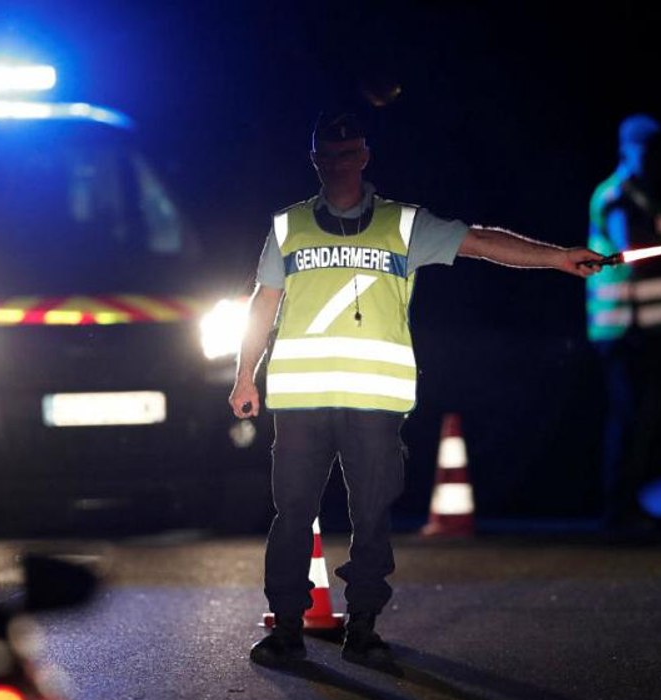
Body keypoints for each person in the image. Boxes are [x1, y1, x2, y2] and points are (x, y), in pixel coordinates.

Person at [229, 111, 605, 667]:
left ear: (365, 157)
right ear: (314, 161)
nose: (337, 164)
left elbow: (480, 241)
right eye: (327, 156)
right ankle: (286, 629)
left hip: (375, 400)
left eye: (348, 154)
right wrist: (245, 375)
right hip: (301, 400)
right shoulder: (289, 226)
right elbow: (263, 304)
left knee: (372, 518)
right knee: (292, 515)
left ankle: (363, 628)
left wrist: (558, 257)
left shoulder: (402, 224)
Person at [585, 113, 661, 531]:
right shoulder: (618, 196)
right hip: (622, 328)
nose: (651, 158)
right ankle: (618, 509)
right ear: (626, 149)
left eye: (655, 150)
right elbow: (628, 249)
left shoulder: (644, 196)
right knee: (628, 418)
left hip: (644, 328)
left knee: (641, 420)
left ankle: (627, 505)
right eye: (644, 149)